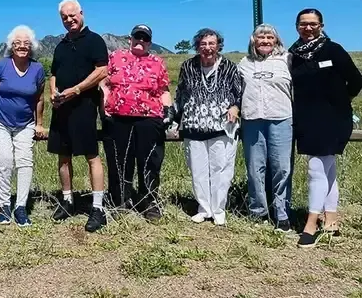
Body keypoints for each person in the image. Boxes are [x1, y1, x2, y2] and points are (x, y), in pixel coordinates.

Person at [289, 8, 362, 248]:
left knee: (315, 168)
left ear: (321, 25)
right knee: (327, 168)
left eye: (312, 24)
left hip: (333, 118)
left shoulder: (333, 50)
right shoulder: (293, 54)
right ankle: (331, 221)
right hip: (307, 119)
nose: (307, 28)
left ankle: (311, 224)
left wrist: (341, 101)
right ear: (297, 26)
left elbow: (356, 80)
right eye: (303, 24)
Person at [99, 24, 173, 221]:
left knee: (149, 161)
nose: (140, 41)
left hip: (149, 118)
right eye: (137, 37)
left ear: (149, 42)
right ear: (130, 39)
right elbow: (104, 83)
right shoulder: (115, 57)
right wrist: (104, 105)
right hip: (118, 117)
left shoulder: (158, 62)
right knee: (119, 161)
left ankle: (149, 201)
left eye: (145, 38)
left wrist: (168, 110)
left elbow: (163, 90)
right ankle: (120, 200)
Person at [48, 0, 109, 232]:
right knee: (63, 156)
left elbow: (102, 70)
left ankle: (97, 207)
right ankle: (67, 200)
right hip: (62, 107)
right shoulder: (61, 45)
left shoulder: (95, 41)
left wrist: (77, 89)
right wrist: (54, 92)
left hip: (84, 106)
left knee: (91, 156)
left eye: (72, 15)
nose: (69, 20)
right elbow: (53, 73)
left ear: (81, 13)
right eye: (64, 17)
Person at [173, 28, 242, 226]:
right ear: (197, 46)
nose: (208, 48)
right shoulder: (188, 66)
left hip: (222, 126)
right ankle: (203, 208)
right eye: (203, 44)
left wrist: (236, 107)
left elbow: (239, 93)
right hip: (194, 126)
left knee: (221, 169)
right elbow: (181, 94)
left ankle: (219, 209)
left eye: (212, 43)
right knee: (198, 169)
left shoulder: (229, 66)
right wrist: (177, 120)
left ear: (219, 45)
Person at [0, 25, 46, 227]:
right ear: (11, 46)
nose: (22, 47)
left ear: (32, 47)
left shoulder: (37, 69)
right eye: (18, 43)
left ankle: (20, 207)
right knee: (5, 159)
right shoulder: (2, 65)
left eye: (26, 43)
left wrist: (40, 124)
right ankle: (3, 204)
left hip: (25, 123)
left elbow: (39, 98)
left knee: (25, 162)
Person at [238, 24, 293, 233]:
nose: (265, 41)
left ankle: (282, 213)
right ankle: (258, 211)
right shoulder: (244, 63)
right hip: (252, 119)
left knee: (281, 167)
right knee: (255, 167)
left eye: (270, 37)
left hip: (281, 118)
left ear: (276, 40)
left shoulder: (287, 60)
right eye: (261, 38)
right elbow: (237, 91)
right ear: (254, 41)